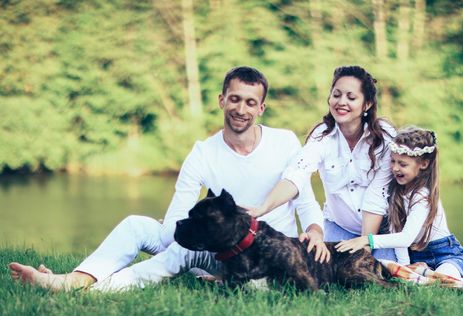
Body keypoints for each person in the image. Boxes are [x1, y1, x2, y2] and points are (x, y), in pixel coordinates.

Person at [9, 66, 328, 292]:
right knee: (139, 225)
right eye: (234, 99)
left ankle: (84, 290)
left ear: (261, 108)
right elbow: (179, 213)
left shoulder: (284, 141)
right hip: (219, 254)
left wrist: (314, 228)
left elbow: (305, 199)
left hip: (267, 254)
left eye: (250, 102)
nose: (240, 108)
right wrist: (173, 226)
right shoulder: (203, 152)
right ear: (221, 100)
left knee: (178, 253)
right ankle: (76, 279)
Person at [247, 66, 407, 263]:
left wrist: (365, 246)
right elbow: (296, 175)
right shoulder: (321, 136)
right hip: (338, 227)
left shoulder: (385, 137)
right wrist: (262, 208)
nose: (341, 102)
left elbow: (376, 195)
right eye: (336, 95)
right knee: (325, 273)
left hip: (379, 232)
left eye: (351, 97)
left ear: (366, 104)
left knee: (384, 271)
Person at [336, 126, 463, 279]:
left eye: (402, 164)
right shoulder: (396, 193)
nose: (395, 168)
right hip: (417, 256)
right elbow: (396, 233)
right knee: (403, 274)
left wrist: (367, 239)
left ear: (424, 164)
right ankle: (421, 271)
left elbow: (406, 237)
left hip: (445, 253)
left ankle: (438, 272)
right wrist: (405, 266)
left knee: (445, 278)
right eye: (393, 161)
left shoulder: (422, 196)